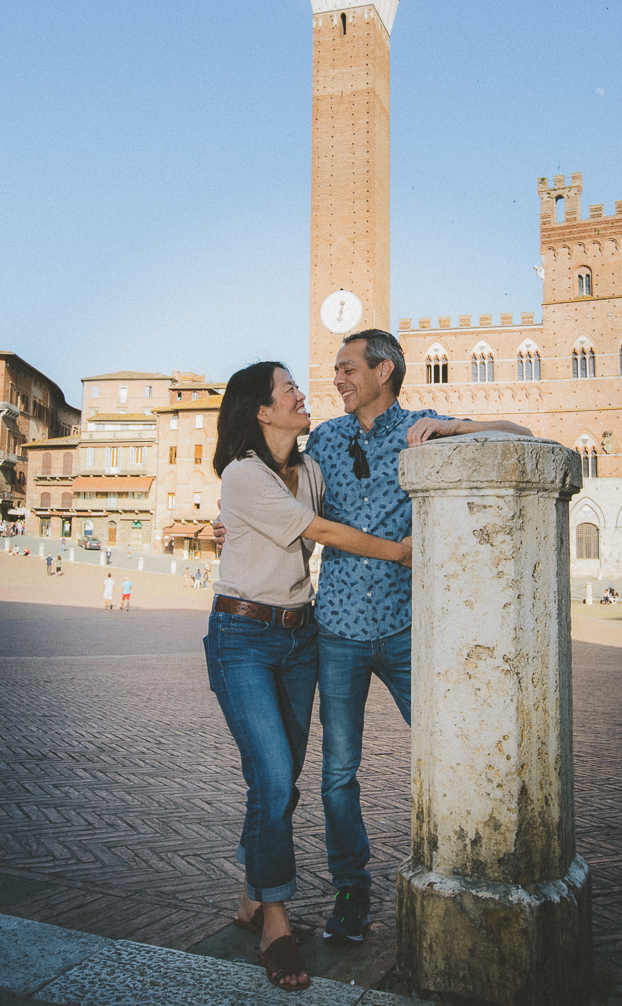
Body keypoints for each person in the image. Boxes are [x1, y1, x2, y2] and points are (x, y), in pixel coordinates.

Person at [218, 329, 532, 943]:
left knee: (446, 747)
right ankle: (351, 891)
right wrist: (231, 517)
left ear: (383, 371)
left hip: (405, 626)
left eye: (346, 368)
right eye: (332, 370)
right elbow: (271, 473)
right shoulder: (323, 440)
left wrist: (454, 429)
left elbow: (517, 436)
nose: (335, 379)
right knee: (337, 773)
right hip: (333, 630)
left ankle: (469, 869)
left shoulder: (422, 425)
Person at [206, 361, 417, 991]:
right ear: (262, 411)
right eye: (288, 388)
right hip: (242, 637)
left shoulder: (310, 468)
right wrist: (402, 551)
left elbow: (334, 503)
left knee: (279, 781)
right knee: (274, 776)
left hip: (299, 639)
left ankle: (249, 895)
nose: (303, 393)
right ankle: (274, 921)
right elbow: (318, 531)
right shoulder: (243, 474)